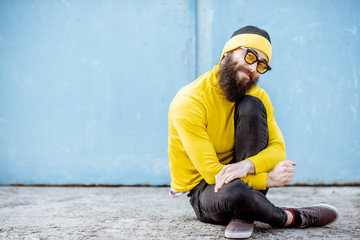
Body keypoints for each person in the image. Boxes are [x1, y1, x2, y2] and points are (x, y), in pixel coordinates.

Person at [167, 25, 338, 239]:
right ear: (227, 53)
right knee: (236, 192)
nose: (253, 68)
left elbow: (278, 149)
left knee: (252, 105)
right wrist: (267, 180)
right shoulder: (190, 102)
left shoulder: (258, 96)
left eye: (262, 65)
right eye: (249, 56)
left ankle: (245, 214)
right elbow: (213, 174)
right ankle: (290, 217)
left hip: (242, 172)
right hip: (206, 189)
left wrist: (246, 166)